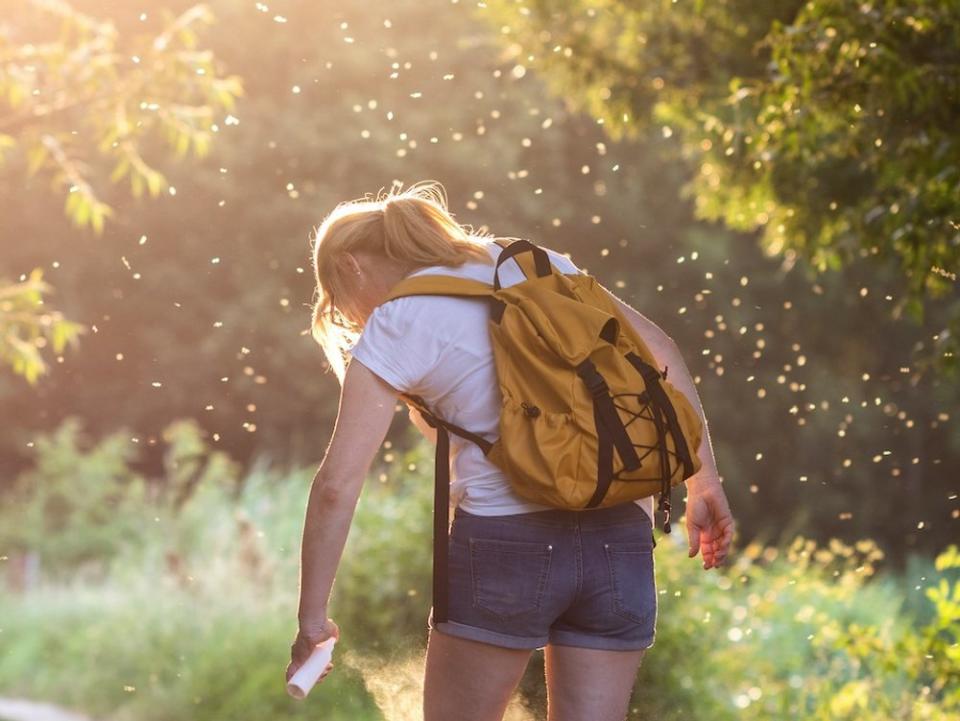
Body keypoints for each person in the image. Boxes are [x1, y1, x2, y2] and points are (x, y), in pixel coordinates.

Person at [285, 180, 735, 721]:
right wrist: (703, 482)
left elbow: (337, 487)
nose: (352, 317)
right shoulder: (537, 263)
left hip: (506, 543)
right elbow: (660, 351)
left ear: (352, 267)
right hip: (620, 537)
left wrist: (312, 621)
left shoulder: (401, 319)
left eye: (339, 301)